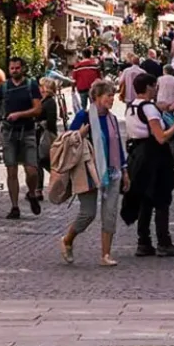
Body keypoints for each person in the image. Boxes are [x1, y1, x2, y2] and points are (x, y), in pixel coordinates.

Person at [62, 79, 127, 267]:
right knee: (88, 213)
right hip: (89, 170)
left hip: (112, 171)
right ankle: (67, 239)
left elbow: (118, 146)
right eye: (108, 95)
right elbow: (67, 140)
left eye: (113, 96)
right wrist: (80, 134)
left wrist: (124, 169)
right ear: (97, 97)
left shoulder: (112, 118)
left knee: (110, 213)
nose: (112, 99)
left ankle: (105, 254)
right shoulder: (84, 116)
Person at [0, 56, 47, 218]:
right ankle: (14, 207)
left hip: (27, 131)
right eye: (12, 68)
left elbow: (38, 109)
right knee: (11, 170)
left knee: (32, 171)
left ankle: (31, 193)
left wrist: (19, 114)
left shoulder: (31, 85)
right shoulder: (5, 87)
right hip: (8, 132)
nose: (14, 71)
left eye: (17, 68)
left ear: (23, 69)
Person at [122, 76, 174, 256]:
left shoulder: (132, 106)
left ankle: (143, 241)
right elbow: (161, 136)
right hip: (154, 156)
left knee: (145, 199)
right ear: (149, 88)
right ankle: (164, 242)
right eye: (154, 86)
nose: (156, 90)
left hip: (137, 155)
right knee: (161, 199)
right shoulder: (149, 108)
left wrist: (166, 107)